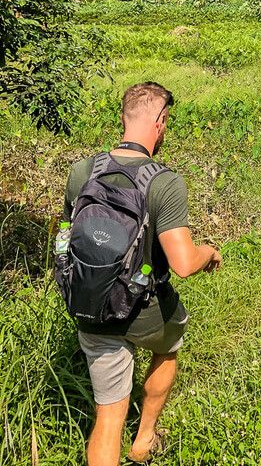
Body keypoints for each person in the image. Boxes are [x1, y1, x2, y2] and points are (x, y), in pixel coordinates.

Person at [62, 82, 222, 466]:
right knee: (169, 348)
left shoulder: (82, 171)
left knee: (108, 419)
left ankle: (127, 437)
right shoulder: (165, 182)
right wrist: (210, 252)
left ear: (123, 118)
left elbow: (66, 236)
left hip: (90, 305)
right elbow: (183, 264)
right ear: (161, 122)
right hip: (143, 309)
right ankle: (145, 438)